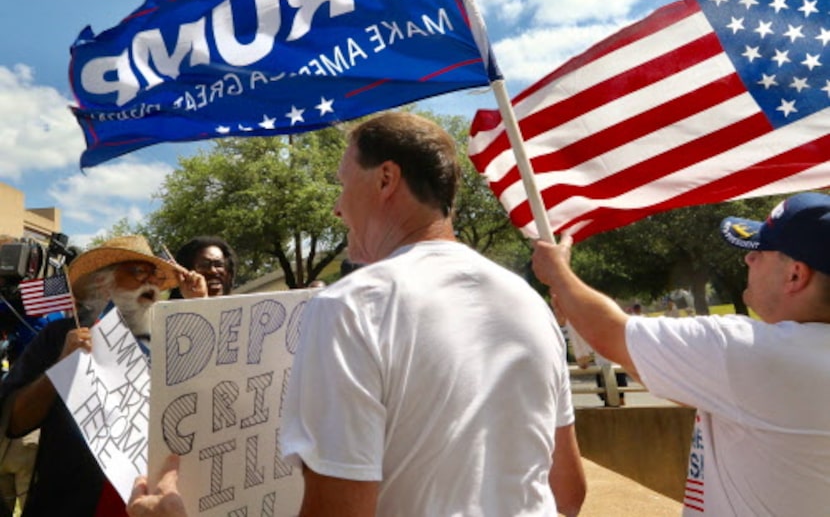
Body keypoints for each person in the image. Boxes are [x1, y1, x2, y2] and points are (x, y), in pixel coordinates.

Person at [128, 112, 586, 517]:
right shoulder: (531, 303)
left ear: (386, 179)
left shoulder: (351, 307)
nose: (337, 205)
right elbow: (568, 493)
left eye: (343, 183)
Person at [532, 192, 830, 515]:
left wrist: (558, 273)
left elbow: (614, 334)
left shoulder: (753, 353)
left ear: (795, 275)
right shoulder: (782, 363)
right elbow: (651, 365)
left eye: (761, 250)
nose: (748, 259)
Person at [0, 235, 206, 517]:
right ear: (104, 282)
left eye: (155, 275)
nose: (151, 283)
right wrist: (62, 368)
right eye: (136, 272)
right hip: (69, 504)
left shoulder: (174, 341)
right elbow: (14, 422)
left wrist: (203, 308)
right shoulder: (60, 336)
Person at [168, 236, 237, 299]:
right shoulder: (165, 311)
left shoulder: (244, 308)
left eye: (219, 265)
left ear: (229, 274)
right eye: (204, 266)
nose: (213, 270)